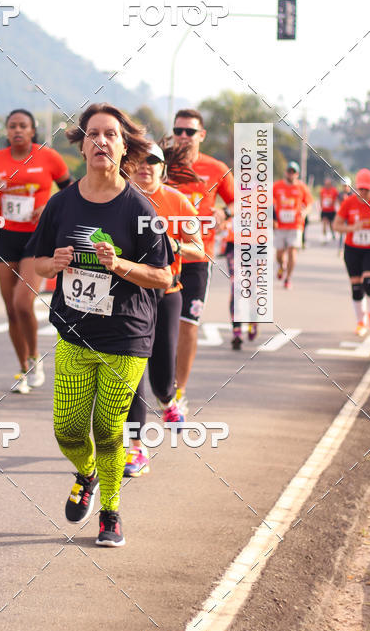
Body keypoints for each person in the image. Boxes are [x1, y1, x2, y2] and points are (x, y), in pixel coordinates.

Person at [29, 103, 173, 547]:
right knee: (68, 430)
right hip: (74, 332)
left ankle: (110, 514)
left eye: (111, 134)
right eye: (93, 134)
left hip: (126, 336)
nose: (102, 141)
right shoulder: (62, 204)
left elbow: (165, 276)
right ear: (83, 144)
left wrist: (122, 265)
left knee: (109, 431)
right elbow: (35, 262)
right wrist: (51, 264)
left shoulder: (139, 207)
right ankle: (86, 474)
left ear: (123, 145)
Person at [123, 142, 205, 477]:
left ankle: (169, 400)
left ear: (163, 169)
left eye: (153, 161)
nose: (146, 166)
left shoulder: (178, 201)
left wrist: (175, 244)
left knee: (161, 370)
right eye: (140, 160)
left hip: (168, 291)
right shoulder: (121, 199)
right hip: (129, 295)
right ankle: (136, 449)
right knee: (131, 372)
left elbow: (199, 249)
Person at [0, 109, 72, 393]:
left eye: (23, 126)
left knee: (23, 303)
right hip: (6, 237)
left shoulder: (48, 157)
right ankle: (23, 368)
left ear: (32, 131)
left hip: (38, 238)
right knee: (10, 310)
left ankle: (35, 358)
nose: (17, 130)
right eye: (12, 126)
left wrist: (49, 207)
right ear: (6, 131)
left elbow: (70, 195)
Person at [164, 109, 235, 417]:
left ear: (201, 135)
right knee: (155, 325)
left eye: (190, 132)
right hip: (161, 256)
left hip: (195, 256)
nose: (183, 136)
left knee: (188, 325)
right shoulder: (161, 164)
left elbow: (239, 202)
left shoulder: (216, 168)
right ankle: (156, 385)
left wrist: (224, 214)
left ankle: (178, 391)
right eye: (178, 130)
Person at [334, 168, 370, 336]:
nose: (362, 192)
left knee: (368, 283)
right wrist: (352, 227)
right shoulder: (348, 203)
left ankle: (369, 316)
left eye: (366, 189)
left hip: (369, 250)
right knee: (356, 288)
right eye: (360, 189)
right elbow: (337, 226)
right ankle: (360, 322)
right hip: (352, 249)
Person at [272, 161, 313, 289]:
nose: (291, 174)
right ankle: (281, 266)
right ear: (285, 172)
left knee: (292, 251)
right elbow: (268, 202)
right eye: (289, 171)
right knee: (279, 254)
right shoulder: (277, 186)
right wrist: (272, 218)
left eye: (293, 172)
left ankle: (288, 278)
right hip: (280, 225)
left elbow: (309, 203)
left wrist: (304, 212)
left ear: (297, 174)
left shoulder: (302, 187)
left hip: (296, 224)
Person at [220, 217, 257, 350]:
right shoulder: (230, 203)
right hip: (233, 247)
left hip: (255, 247)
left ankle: (253, 319)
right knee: (236, 287)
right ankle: (237, 331)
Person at [320, 177, 339, 243]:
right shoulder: (322, 190)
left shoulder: (334, 190)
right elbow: (321, 199)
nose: (327, 185)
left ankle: (333, 233)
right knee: (324, 223)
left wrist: (333, 203)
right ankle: (324, 237)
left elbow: (336, 199)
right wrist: (321, 206)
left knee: (331, 225)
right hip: (324, 210)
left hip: (331, 210)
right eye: (326, 184)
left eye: (328, 184)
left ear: (330, 184)